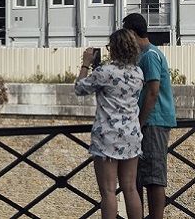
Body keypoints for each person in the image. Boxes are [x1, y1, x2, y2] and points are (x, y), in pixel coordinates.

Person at [74, 28, 145, 219]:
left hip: (108, 138)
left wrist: (85, 64)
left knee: (108, 192)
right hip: (131, 135)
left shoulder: (104, 72)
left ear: (113, 48)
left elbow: (80, 89)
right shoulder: (138, 73)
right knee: (130, 188)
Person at [122, 12, 177, 219]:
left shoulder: (150, 56)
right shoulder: (144, 55)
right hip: (150, 121)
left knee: (154, 178)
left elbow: (153, 92)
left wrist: (139, 122)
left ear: (132, 33)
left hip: (154, 121)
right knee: (143, 177)